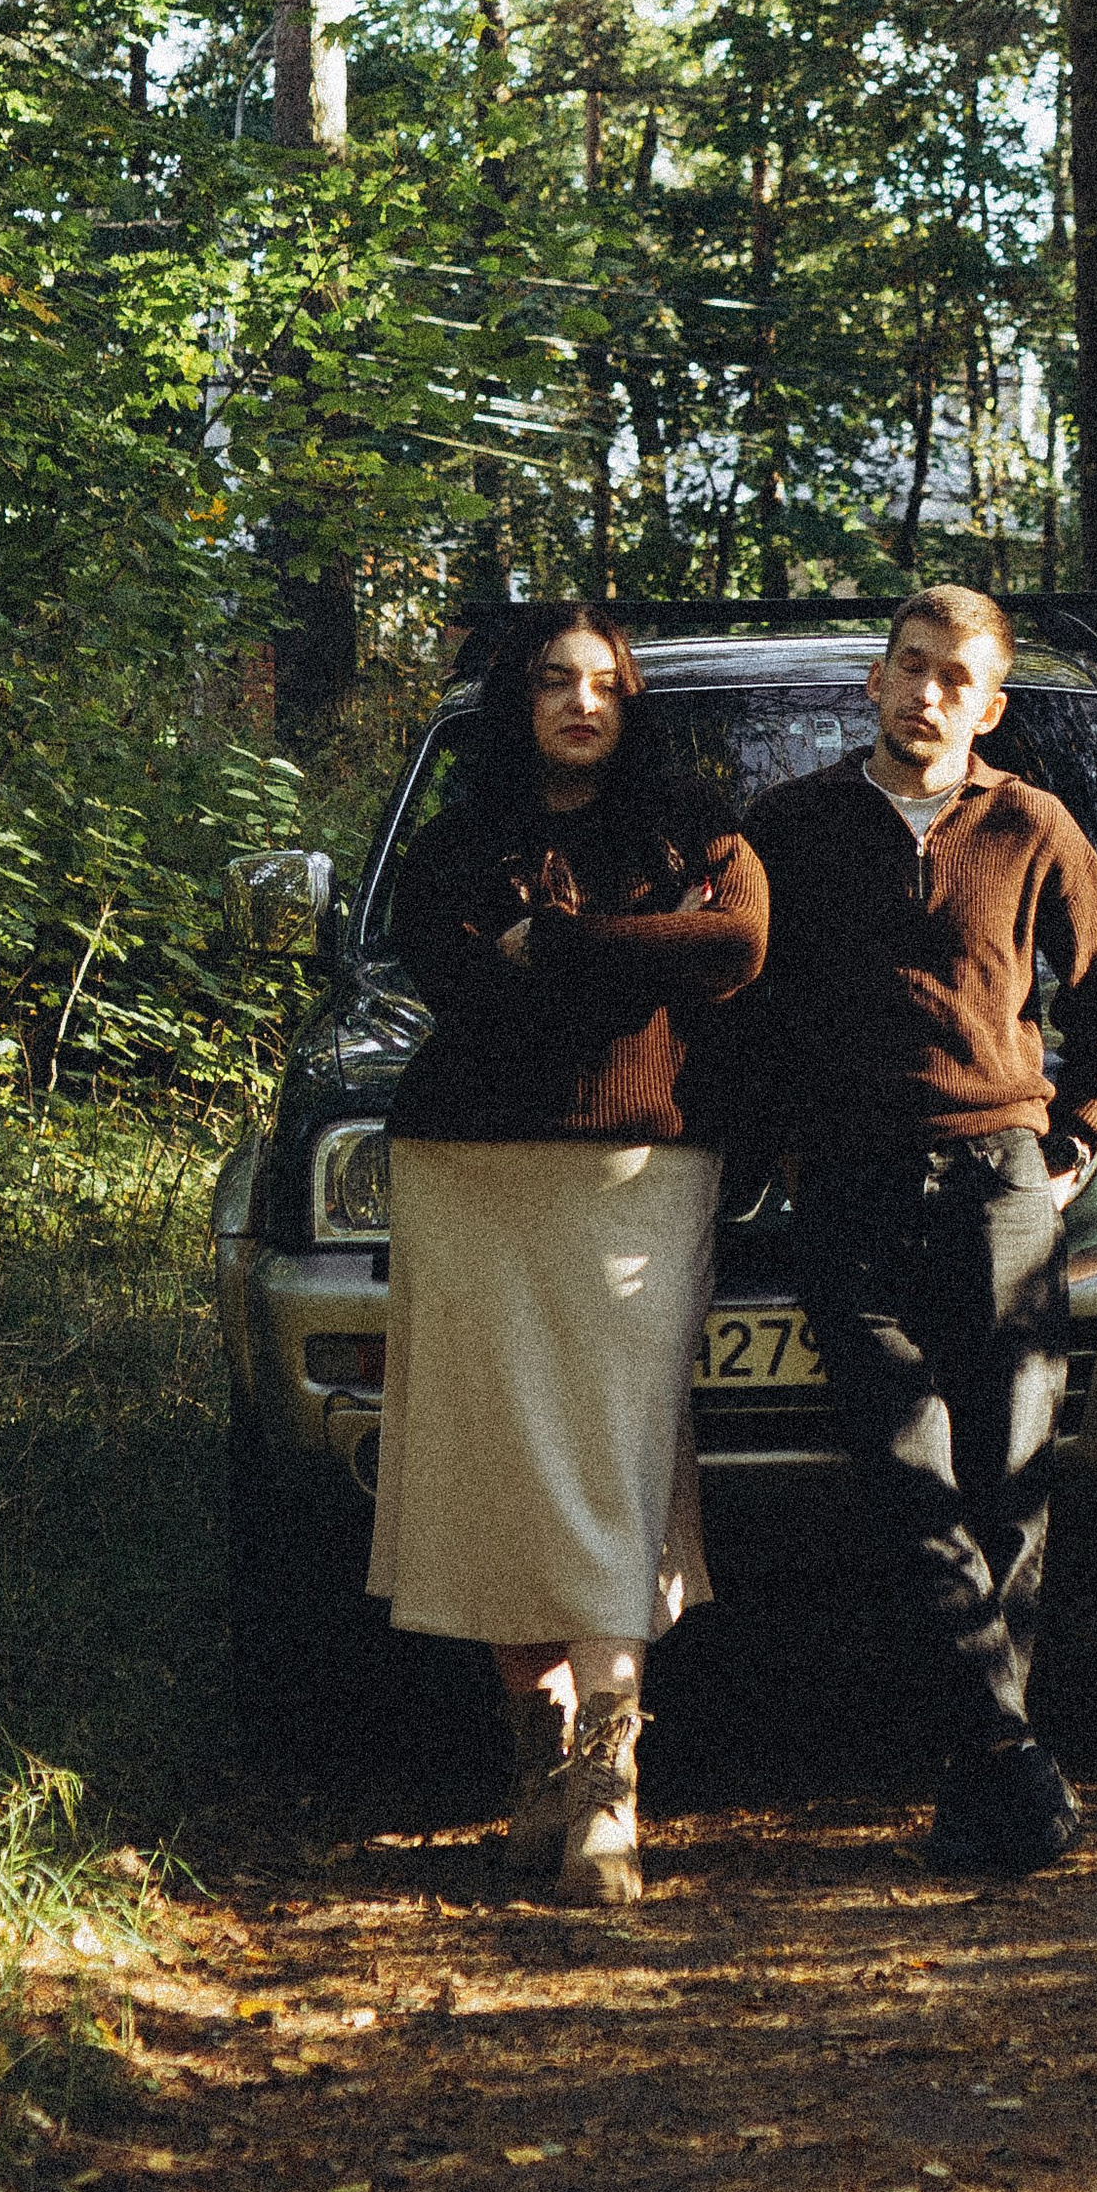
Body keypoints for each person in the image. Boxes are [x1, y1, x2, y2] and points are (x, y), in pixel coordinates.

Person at [744, 584, 1097, 1875]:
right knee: (908, 1476)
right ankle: (1009, 1752)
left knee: (1011, 1478)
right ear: (874, 683)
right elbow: (736, 1001)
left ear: (990, 704)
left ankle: (988, 1762)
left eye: (953, 678)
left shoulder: (1035, 826)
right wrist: (780, 1146)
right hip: (848, 1191)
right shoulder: (790, 828)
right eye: (908, 668)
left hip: (998, 1184)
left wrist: (1074, 1140)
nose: (926, 694)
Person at [368, 603, 767, 1904]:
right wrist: (639, 957)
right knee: (494, 1470)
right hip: (466, 1174)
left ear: (633, 700)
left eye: (604, 682)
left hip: (638, 1175)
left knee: (610, 1459)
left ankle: (611, 1789)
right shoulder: (456, 841)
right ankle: (539, 1769)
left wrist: (565, 943)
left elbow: (740, 945)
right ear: (518, 699)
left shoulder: (693, 824)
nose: (583, 702)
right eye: (554, 681)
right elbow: (457, 977)